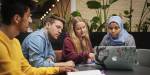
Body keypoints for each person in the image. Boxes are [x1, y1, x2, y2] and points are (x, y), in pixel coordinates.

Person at [0, 0, 75, 75]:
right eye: (28, 16)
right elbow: (37, 65)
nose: (30, 21)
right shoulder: (37, 38)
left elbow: (27, 70)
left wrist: (58, 69)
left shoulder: (15, 42)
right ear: (17, 18)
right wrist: (60, 66)